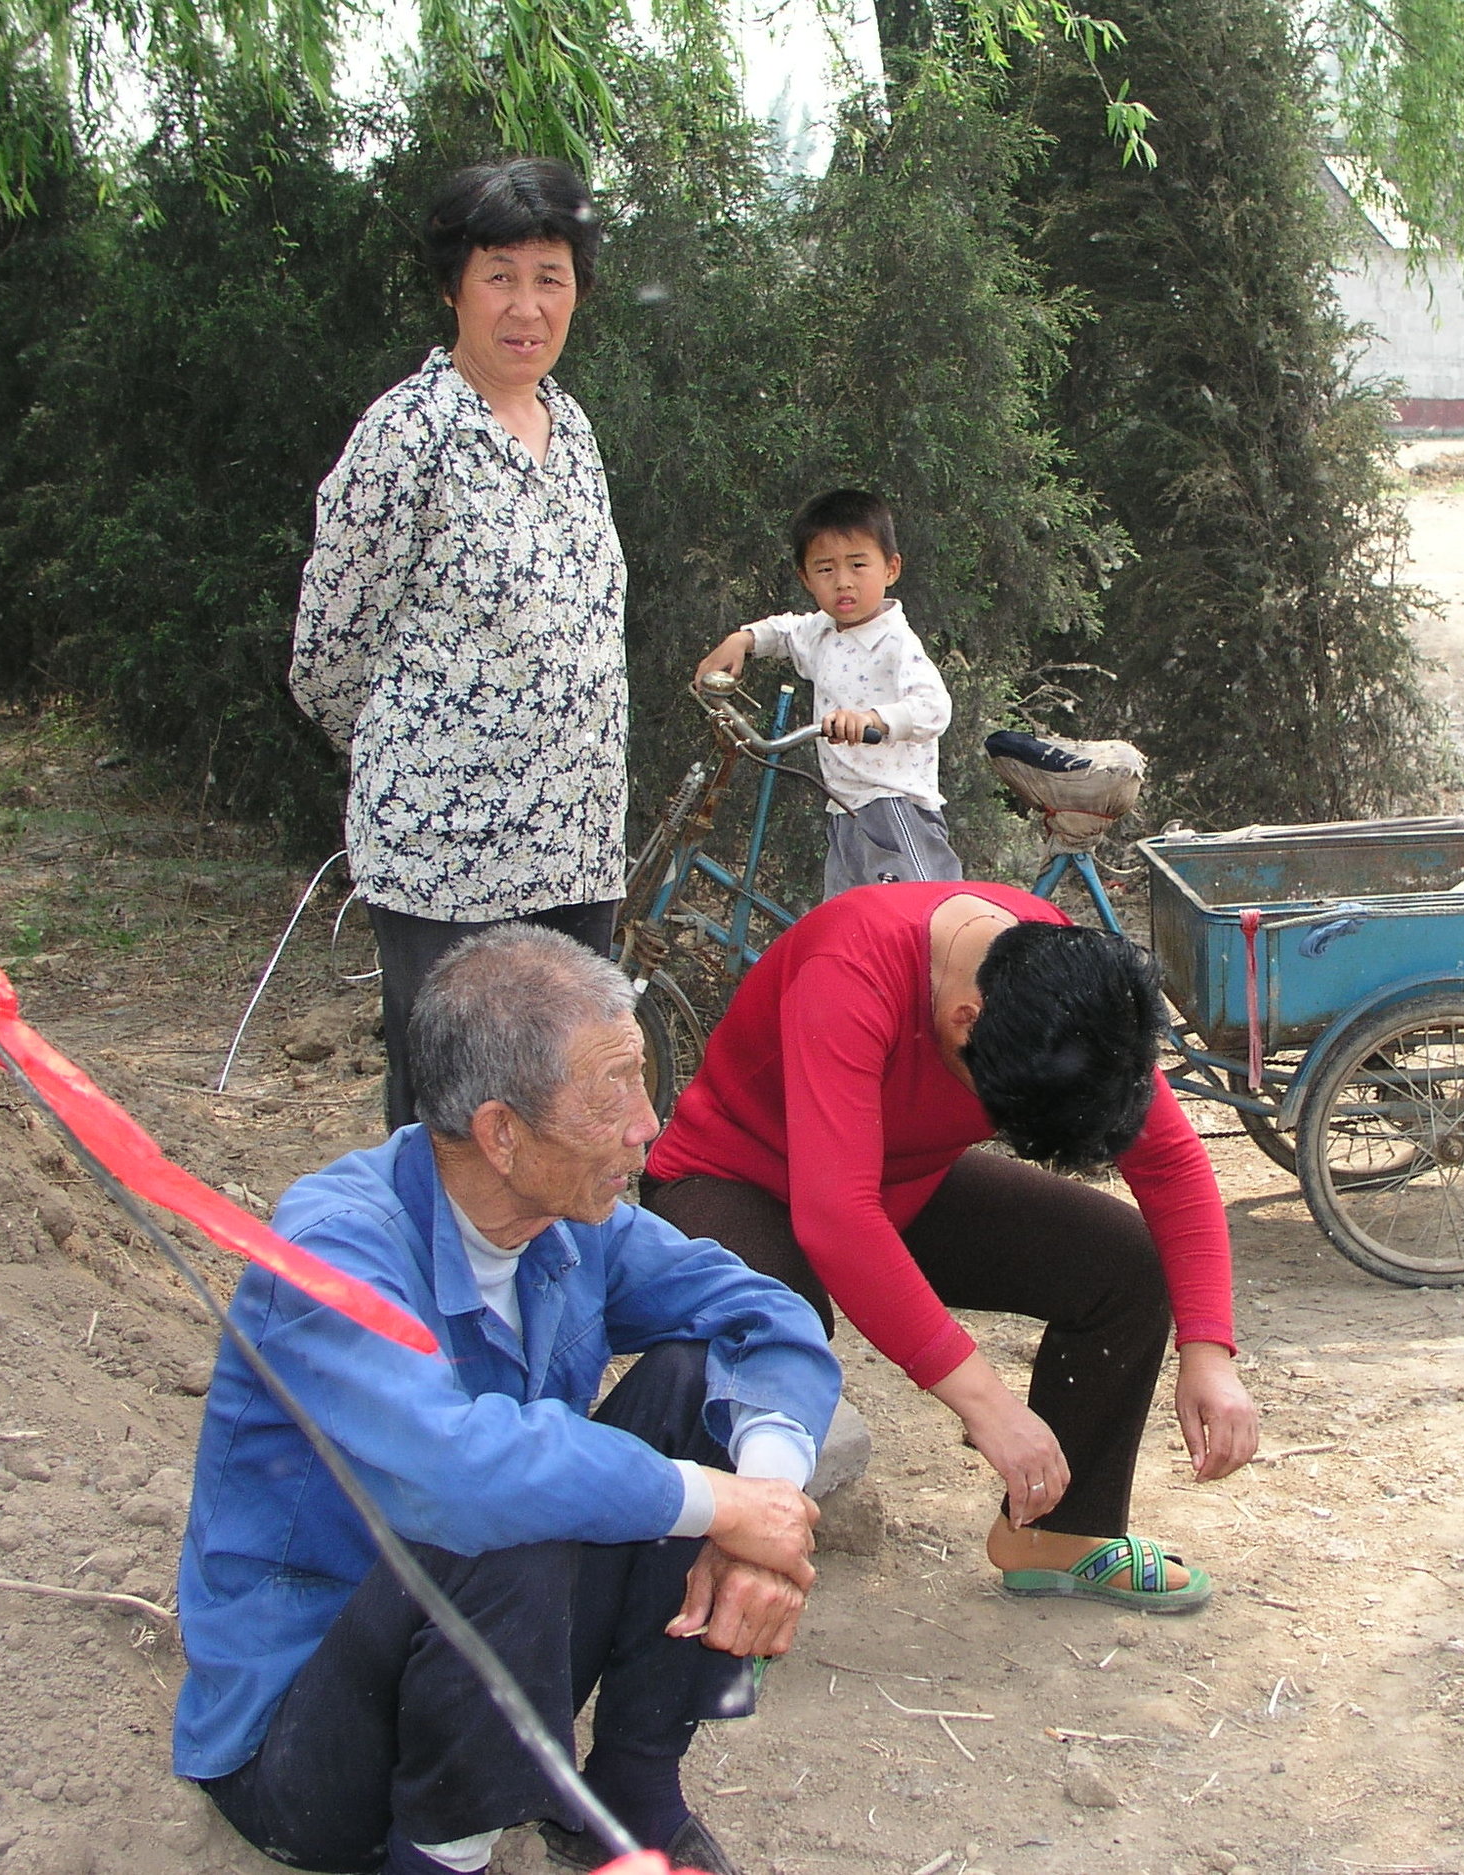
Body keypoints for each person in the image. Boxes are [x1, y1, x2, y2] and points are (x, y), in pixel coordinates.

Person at [173, 928, 841, 1875]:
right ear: (501, 1132)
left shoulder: (575, 1222)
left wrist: (764, 1503)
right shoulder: (332, 1250)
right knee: (510, 1514)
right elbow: (461, 1478)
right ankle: (440, 1857)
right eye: (609, 1091)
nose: (646, 1124)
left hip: (492, 1654)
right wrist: (714, 1500)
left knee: (700, 1380)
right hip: (311, 1740)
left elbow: (770, 1315)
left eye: (639, 1079)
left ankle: (632, 1784)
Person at [641, 880, 1260, 1610]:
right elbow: (835, 1219)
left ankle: (1057, 1533)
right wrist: (987, 1404)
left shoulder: (1059, 978)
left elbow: (1170, 1162)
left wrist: (1208, 1350)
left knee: (1123, 1262)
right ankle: (696, 1584)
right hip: (732, 1173)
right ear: (966, 1020)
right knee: (773, 1328)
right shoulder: (850, 968)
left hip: (896, 1183)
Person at [290, 158, 630, 1134]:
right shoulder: (406, 434)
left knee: (566, 1120)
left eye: (550, 278)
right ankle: (429, 1294)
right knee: (455, 1129)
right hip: (449, 866)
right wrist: (427, 766)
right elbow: (329, 655)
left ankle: (543, 1291)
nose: (526, 305)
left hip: (574, 856)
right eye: (500, 275)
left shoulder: (573, 432)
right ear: (453, 287)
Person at [692, 489, 962, 897]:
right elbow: (785, 631)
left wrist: (873, 719)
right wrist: (742, 639)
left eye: (858, 565)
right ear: (805, 578)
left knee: (922, 917)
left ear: (891, 568)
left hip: (894, 806)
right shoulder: (822, 631)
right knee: (849, 926)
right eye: (825, 570)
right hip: (845, 809)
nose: (844, 582)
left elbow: (934, 709)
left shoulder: (896, 642)